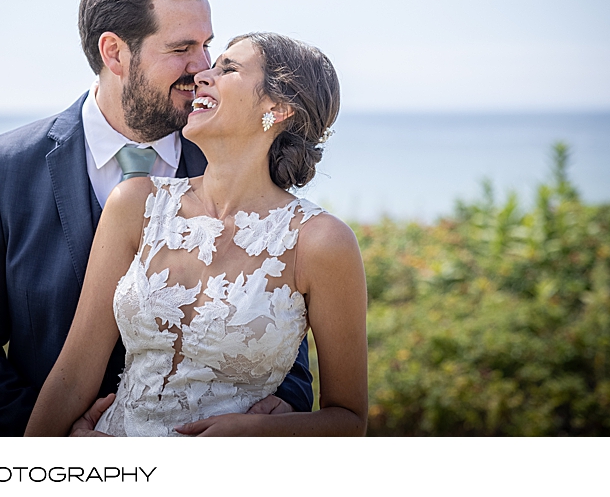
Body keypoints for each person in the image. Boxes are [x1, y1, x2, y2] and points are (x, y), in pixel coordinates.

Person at [0, 0, 313, 437]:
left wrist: (278, 415)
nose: (201, 69)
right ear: (114, 53)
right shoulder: (4, 167)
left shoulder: (242, 165)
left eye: (207, 46)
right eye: (182, 48)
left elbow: (285, 340)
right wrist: (58, 443)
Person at [25, 32, 368, 437]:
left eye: (229, 68)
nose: (203, 74)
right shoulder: (135, 204)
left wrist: (251, 434)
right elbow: (74, 371)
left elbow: (348, 419)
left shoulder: (321, 242)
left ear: (277, 108)